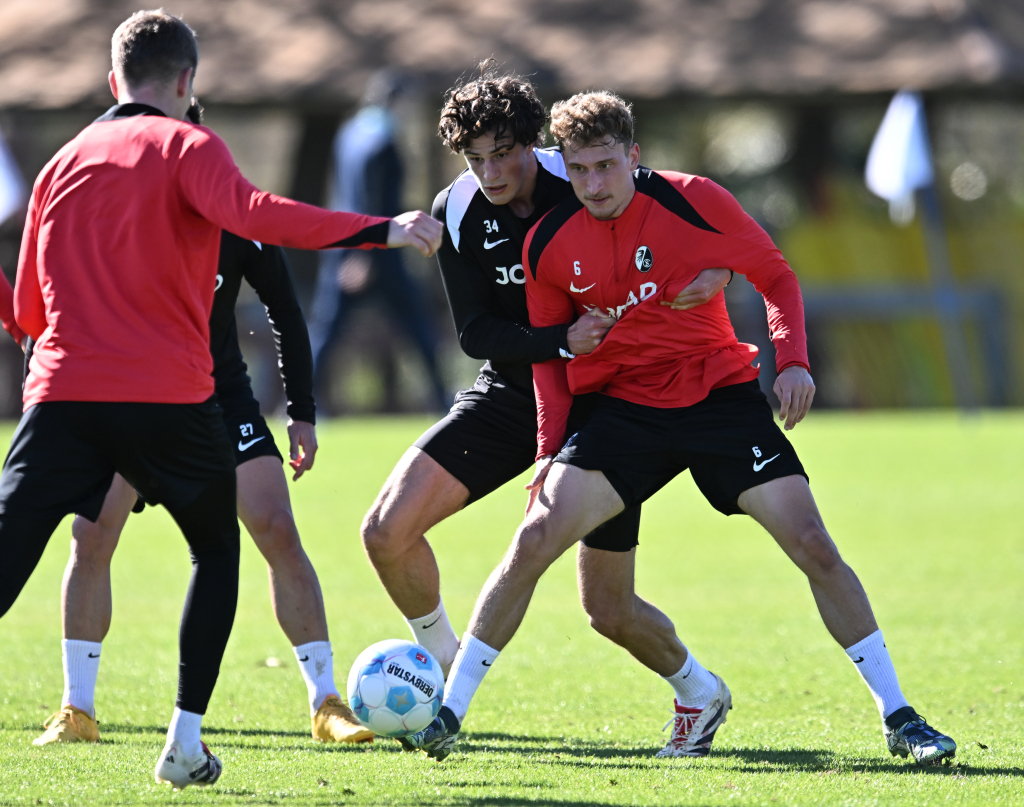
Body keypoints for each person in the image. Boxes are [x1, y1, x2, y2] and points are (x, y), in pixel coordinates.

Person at [407, 91, 956, 766]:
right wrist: (549, 453)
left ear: (634, 157)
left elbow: (777, 276)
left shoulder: (692, 199)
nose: (593, 184)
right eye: (579, 171)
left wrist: (793, 363)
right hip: (623, 410)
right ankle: (451, 714)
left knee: (811, 540)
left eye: (606, 166)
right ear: (565, 168)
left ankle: (899, 715)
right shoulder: (547, 242)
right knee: (537, 538)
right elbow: (555, 360)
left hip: (719, 398)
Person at [3, 9, 440, 790]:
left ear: (113, 82)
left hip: (63, 393)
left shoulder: (60, 162)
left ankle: (315, 697)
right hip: (168, 397)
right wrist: (382, 230)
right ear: (186, 81)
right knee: (215, 548)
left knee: (10, 550)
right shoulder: (189, 144)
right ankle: (183, 740)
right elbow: (263, 217)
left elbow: (30, 315)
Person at [360, 64, 729, 701]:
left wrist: (719, 267)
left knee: (608, 611)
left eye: (503, 154)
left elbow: (691, 224)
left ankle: (699, 690)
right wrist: (555, 341)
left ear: (535, 142)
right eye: (475, 160)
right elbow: (473, 331)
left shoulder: (589, 176)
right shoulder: (458, 211)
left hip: (607, 404)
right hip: (511, 390)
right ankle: (444, 665)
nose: (491, 173)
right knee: (385, 532)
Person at [33, 172, 372, 747]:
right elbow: (57, 309)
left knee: (277, 530)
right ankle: (77, 710)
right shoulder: (114, 212)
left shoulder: (237, 216)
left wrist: (303, 413)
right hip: (128, 399)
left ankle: (326, 703)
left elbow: (286, 313)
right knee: (90, 535)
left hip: (218, 400)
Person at [308, 70, 447, 413]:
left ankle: (301, 400)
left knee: (325, 329)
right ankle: (443, 399)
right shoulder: (383, 141)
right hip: (378, 251)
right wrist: (365, 254)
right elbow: (372, 200)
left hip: (343, 245)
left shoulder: (350, 133)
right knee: (417, 324)